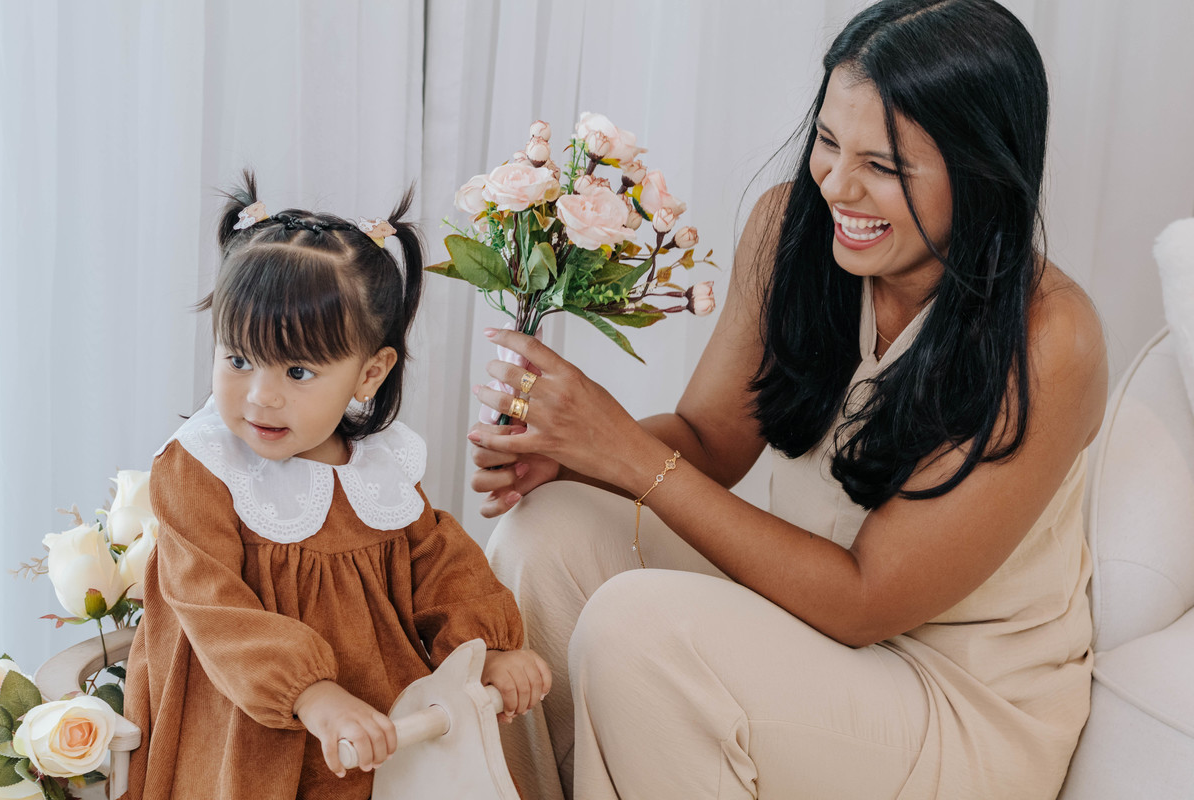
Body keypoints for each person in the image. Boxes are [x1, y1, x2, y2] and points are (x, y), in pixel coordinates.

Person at [465, 1, 1107, 798]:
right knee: (547, 530)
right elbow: (709, 439)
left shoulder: (1049, 338)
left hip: (956, 699)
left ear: (982, 171)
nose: (838, 185)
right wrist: (569, 455)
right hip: (800, 616)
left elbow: (866, 601)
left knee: (639, 630)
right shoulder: (792, 230)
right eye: (829, 143)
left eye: (884, 167)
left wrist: (623, 451)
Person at [123, 172, 550, 800]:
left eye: (298, 371)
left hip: (379, 726)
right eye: (238, 359)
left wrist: (487, 647)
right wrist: (309, 691)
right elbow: (211, 604)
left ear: (370, 373)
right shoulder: (202, 467)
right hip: (246, 729)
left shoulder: (380, 468)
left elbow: (441, 564)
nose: (261, 396)